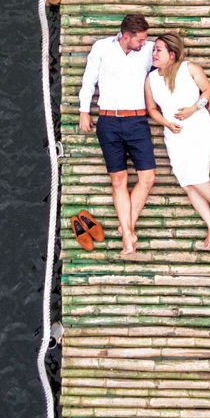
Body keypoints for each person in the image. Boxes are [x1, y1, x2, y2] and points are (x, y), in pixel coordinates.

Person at [144, 32, 210, 251]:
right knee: (186, 181)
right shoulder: (151, 79)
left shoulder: (189, 68)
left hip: (198, 127)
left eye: (158, 50)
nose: (153, 53)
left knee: (196, 174)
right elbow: (152, 109)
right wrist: (167, 123)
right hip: (173, 134)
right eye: (153, 49)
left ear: (171, 54)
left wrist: (193, 109)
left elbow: (208, 91)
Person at [76, 13, 156, 256]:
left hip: (137, 120)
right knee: (118, 181)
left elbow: (172, 63)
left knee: (148, 178)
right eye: (140, 39)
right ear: (126, 36)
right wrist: (84, 111)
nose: (144, 43)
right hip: (108, 121)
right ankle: (128, 237)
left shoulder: (150, 49)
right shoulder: (101, 48)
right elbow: (89, 80)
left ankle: (126, 227)